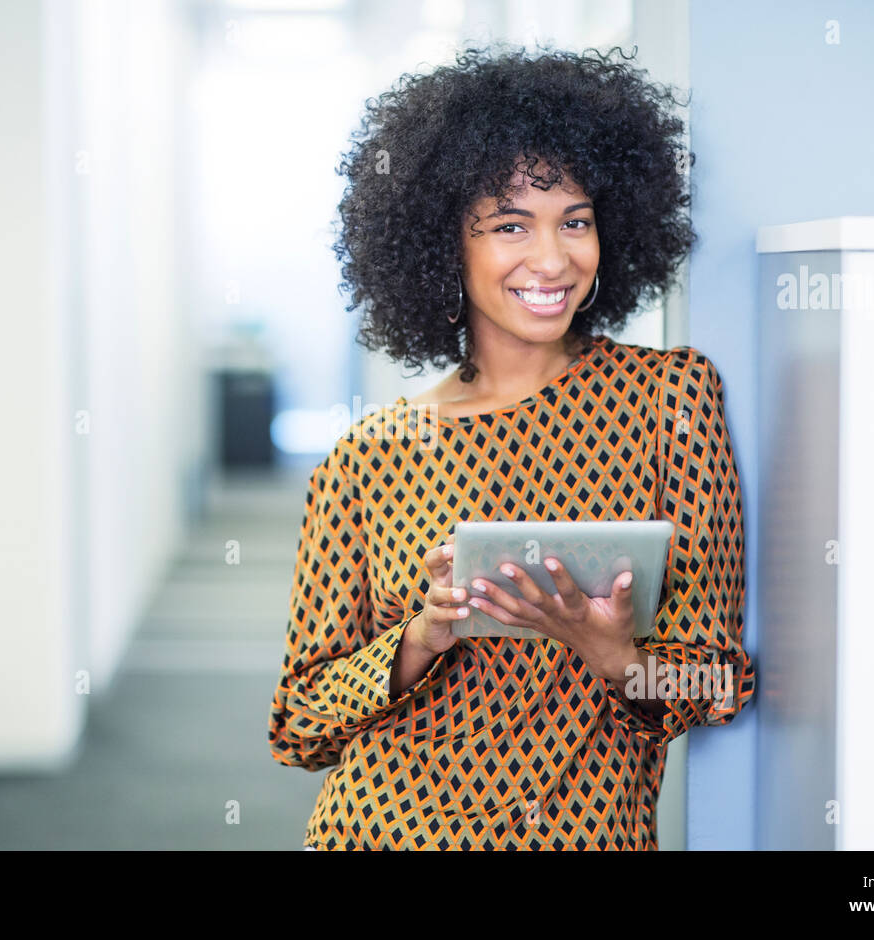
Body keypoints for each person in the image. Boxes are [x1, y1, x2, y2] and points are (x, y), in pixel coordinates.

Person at [268, 45, 755, 850]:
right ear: (440, 243)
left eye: (576, 220)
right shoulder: (371, 454)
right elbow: (299, 725)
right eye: (509, 226)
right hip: (383, 829)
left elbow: (719, 678)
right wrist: (419, 640)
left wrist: (618, 658)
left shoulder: (672, 400)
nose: (553, 258)